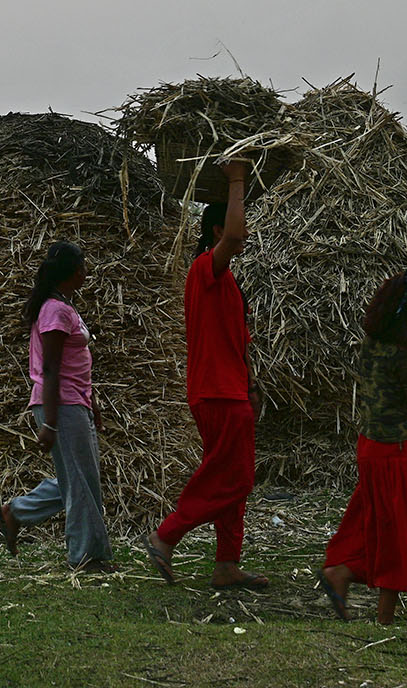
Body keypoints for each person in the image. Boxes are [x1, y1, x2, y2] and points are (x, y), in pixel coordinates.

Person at [144, 160, 268, 590]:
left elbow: (237, 344)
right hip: (217, 394)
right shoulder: (205, 270)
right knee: (233, 477)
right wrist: (237, 178)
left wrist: (250, 387)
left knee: (233, 478)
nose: (244, 232)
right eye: (237, 224)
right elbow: (236, 235)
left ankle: (226, 564)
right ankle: (166, 535)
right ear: (217, 232)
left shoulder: (228, 283)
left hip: (230, 391)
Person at [319, 268, 407, 624]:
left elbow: (380, 398)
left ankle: (341, 574)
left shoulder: (372, 343)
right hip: (391, 456)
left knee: (376, 525)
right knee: (398, 535)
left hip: (371, 445)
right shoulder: (404, 355)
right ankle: (384, 618)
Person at [0, 241, 114, 571]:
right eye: (83, 266)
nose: (86, 272)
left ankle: (17, 512)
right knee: (81, 481)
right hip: (61, 406)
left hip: (74, 403)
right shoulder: (55, 311)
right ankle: (85, 556)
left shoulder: (63, 306)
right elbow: (50, 368)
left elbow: (76, 365)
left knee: (78, 478)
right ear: (74, 271)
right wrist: (50, 423)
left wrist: (92, 405)